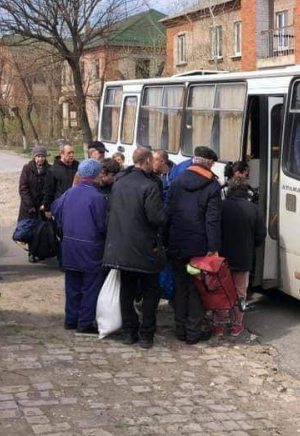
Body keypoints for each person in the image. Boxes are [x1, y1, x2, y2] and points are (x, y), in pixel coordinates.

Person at [103, 148, 168, 349]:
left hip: (121, 246)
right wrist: (168, 214)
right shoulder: (149, 186)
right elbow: (156, 217)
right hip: (144, 248)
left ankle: (129, 332)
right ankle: (146, 334)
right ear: (147, 161)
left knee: (127, 290)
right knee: (150, 292)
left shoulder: (119, 183)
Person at [166, 146, 222, 345]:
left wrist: (167, 240)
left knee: (180, 287)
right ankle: (193, 332)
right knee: (197, 288)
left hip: (176, 244)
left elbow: (168, 213)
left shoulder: (176, 181)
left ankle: (180, 329)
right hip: (199, 248)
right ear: (208, 163)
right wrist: (213, 247)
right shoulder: (212, 186)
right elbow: (212, 220)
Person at [51, 159, 108, 334]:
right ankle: (84, 322)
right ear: (95, 175)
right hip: (90, 248)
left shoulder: (70, 193)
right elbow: (102, 225)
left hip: (69, 245)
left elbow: (55, 209)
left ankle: (71, 319)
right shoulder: (98, 198)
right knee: (90, 287)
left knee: (72, 285)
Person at [216, 176, 266, 337]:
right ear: (246, 191)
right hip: (243, 258)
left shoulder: (221, 207)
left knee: (220, 290)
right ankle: (236, 325)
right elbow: (260, 235)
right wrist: (250, 246)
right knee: (241, 293)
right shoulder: (254, 209)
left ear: (229, 189)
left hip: (222, 258)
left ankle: (218, 324)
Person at [43, 144, 79, 216]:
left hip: (76, 205)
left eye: (72, 152)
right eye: (69, 153)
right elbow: (48, 191)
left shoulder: (78, 167)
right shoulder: (53, 170)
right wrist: (47, 209)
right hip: (61, 207)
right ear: (61, 154)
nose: (71, 155)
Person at [18, 145, 50, 220]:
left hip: (43, 208)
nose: (40, 159)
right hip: (28, 208)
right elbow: (23, 188)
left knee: (44, 230)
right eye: (38, 156)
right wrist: (30, 205)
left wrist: (45, 204)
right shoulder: (27, 168)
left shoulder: (50, 170)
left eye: (42, 156)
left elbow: (50, 189)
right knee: (25, 229)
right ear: (34, 157)